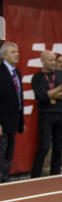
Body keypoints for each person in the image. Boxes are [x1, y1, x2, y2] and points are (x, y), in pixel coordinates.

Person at [31, 50, 62, 177]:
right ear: (43, 61)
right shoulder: (37, 77)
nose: (53, 63)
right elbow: (42, 96)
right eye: (50, 60)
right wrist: (60, 89)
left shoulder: (61, 75)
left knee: (58, 147)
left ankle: (54, 175)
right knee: (44, 146)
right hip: (46, 114)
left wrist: (53, 93)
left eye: (54, 60)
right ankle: (35, 175)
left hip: (61, 114)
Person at [0, 42, 24, 182]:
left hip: (13, 120)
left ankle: (5, 178)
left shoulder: (17, 72)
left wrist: (21, 121)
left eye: (17, 51)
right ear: (4, 55)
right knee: (1, 151)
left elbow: (18, 97)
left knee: (9, 151)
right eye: (12, 52)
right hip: (2, 121)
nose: (17, 54)